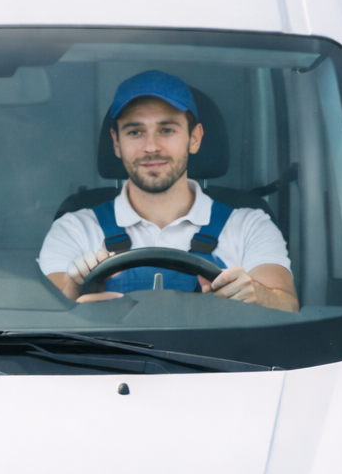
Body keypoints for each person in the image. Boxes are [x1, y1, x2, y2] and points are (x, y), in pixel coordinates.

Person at [38, 70, 299, 311]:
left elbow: (287, 305)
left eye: (166, 129)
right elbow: (42, 316)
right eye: (135, 131)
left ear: (194, 138)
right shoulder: (75, 228)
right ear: (116, 143)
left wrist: (257, 296)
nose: (151, 146)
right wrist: (72, 294)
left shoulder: (248, 225)